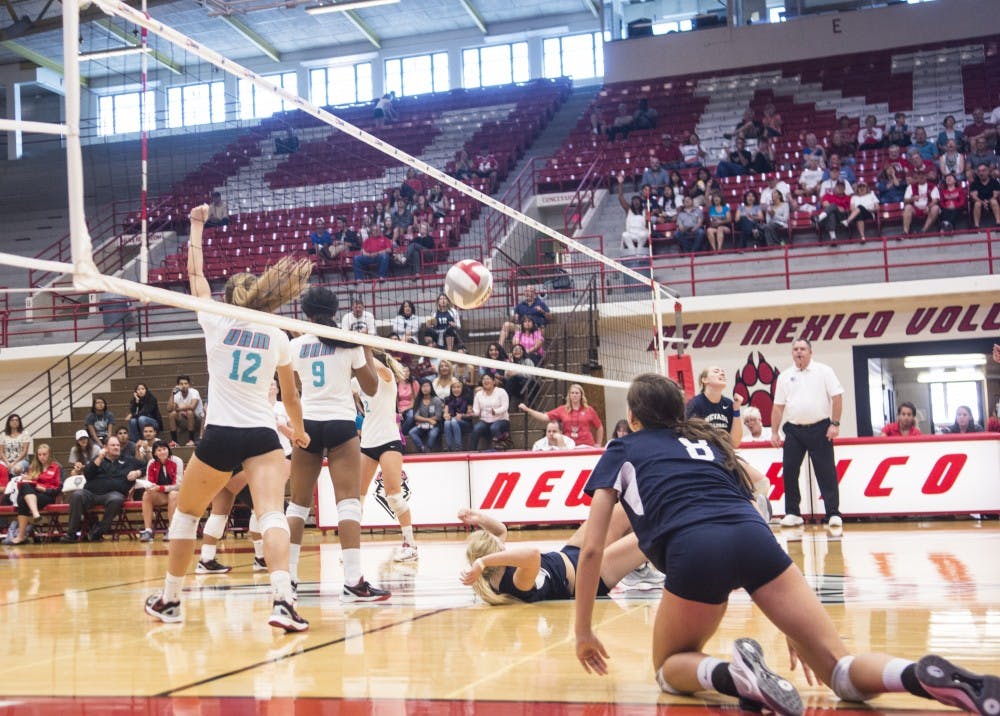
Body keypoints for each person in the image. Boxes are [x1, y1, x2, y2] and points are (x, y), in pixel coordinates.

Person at [573, 373, 1000, 716]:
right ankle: (917, 676)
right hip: (755, 536)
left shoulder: (622, 447)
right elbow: (751, 506)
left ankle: (734, 675)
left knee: (669, 668)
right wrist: (789, 621)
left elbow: (592, 550)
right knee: (841, 673)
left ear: (632, 417)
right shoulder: (707, 442)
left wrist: (583, 630)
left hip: (695, 550)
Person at [144, 203, 312, 633]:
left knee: (186, 514)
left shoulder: (216, 320)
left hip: (220, 434)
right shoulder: (277, 335)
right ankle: (283, 601)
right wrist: (300, 431)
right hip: (262, 435)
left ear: (231, 296)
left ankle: (170, 599)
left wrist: (195, 225)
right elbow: (290, 396)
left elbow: (195, 277)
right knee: (271, 515)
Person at [284, 286, 388, 602]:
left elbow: (296, 388)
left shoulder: (296, 346)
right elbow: (370, 389)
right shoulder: (350, 342)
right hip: (342, 426)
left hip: (309, 425)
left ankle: (286, 579)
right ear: (334, 311)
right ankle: (353, 582)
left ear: (307, 313)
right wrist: (367, 347)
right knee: (348, 503)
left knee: (298, 505)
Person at [459, 505, 647, 605]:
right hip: (590, 576)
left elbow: (500, 531)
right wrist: (482, 562)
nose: (503, 544)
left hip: (572, 553)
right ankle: (643, 564)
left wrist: (479, 519)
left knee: (623, 507)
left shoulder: (495, 570)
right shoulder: (514, 582)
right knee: (651, 535)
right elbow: (533, 555)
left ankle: (639, 565)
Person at [770, 338, 844, 528]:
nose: (799, 352)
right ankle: (793, 512)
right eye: (795, 349)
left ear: (810, 352)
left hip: (821, 428)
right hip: (794, 430)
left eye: (803, 349)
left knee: (826, 472)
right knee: (789, 471)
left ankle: (833, 513)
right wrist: (774, 432)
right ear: (792, 353)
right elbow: (778, 407)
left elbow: (837, 398)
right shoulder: (785, 376)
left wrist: (834, 424)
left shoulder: (824, 371)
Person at [358, 351, 419, 562]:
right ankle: (350, 548)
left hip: (389, 441)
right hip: (367, 442)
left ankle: (410, 544)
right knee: (357, 497)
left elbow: (382, 369)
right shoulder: (360, 383)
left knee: (393, 494)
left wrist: (362, 351)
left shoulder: (387, 378)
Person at [63, 436, 143, 543]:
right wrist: (99, 458)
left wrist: (138, 472)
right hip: (91, 493)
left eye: (118, 445)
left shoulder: (128, 460)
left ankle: (99, 530)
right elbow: (87, 474)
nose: (116, 447)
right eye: (113, 445)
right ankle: (71, 534)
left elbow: (147, 465)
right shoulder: (97, 459)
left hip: (113, 494)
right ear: (105, 447)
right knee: (77, 495)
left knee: (116, 499)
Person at [5, 444, 61, 545]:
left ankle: (21, 536)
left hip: (47, 496)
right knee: (24, 487)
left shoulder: (57, 467)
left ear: (50, 454)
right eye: (39, 455)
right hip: (32, 495)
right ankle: (35, 514)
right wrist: (26, 479)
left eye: (44, 454)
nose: (42, 457)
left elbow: (58, 489)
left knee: (23, 500)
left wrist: (43, 489)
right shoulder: (33, 468)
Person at [520, 383, 603, 447]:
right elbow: (544, 417)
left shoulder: (589, 410)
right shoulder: (562, 409)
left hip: (587, 445)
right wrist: (528, 410)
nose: (574, 395)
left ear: (581, 395)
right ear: (569, 395)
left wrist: (598, 444)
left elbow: (599, 427)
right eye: (572, 393)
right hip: (569, 445)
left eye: (577, 393)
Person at [686, 366, 744, 447]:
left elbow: (735, 443)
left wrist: (737, 409)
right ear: (704, 380)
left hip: (725, 453)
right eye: (716, 371)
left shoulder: (729, 404)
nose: (722, 373)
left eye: (722, 372)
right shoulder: (695, 404)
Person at [138, 441, 184, 542]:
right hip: (162, 496)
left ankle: (171, 530)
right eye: (159, 450)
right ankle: (148, 531)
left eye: (164, 449)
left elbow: (178, 485)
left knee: (173, 494)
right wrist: (149, 487)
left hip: (177, 496)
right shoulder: (151, 463)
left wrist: (160, 488)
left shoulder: (177, 461)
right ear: (155, 453)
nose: (162, 452)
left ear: (168, 450)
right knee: (146, 495)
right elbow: (150, 483)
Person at [469, 373, 510, 451]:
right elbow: (476, 411)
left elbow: (505, 407)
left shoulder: (501, 392)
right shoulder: (478, 394)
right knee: (477, 428)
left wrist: (496, 411)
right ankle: (472, 451)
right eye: (484, 379)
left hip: (501, 420)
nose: (486, 381)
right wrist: (472, 412)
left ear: (494, 381)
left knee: (494, 427)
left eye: (488, 379)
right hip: (485, 421)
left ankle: (500, 448)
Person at [616, 173, 649, 254]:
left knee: (644, 234)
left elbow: (647, 225)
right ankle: (633, 251)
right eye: (634, 201)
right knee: (624, 234)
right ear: (632, 203)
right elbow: (620, 197)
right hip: (631, 234)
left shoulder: (645, 211)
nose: (636, 202)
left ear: (641, 203)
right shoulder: (628, 210)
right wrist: (620, 184)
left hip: (642, 235)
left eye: (637, 201)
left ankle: (639, 251)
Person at [408, 381, 443, 454]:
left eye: (427, 386)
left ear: (431, 388)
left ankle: (428, 448)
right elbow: (416, 416)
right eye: (423, 386)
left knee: (432, 434)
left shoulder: (436, 400)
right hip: (421, 424)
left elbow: (438, 416)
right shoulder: (418, 400)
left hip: (435, 425)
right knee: (412, 432)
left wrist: (425, 420)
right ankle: (422, 448)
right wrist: (429, 420)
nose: (425, 388)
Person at [167, 376, 203, 447]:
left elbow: (192, 407)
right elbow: (169, 408)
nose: (184, 386)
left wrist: (178, 409)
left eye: (186, 383)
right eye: (181, 384)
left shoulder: (194, 392)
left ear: (189, 385)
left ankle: (191, 440)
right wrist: (172, 394)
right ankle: (174, 441)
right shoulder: (176, 394)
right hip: (184, 420)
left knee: (189, 412)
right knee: (172, 414)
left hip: (198, 420)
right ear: (178, 385)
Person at [442, 380, 472, 452]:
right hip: (452, 420)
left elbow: (470, 415)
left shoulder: (467, 398)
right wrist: (446, 416)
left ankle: (458, 447)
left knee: (453, 421)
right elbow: (445, 413)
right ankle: (449, 447)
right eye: (454, 387)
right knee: (447, 422)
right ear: (451, 389)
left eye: (458, 387)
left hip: (465, 422)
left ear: (462, 388)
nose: (456, 389)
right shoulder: (447, 399)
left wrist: (462, 416)